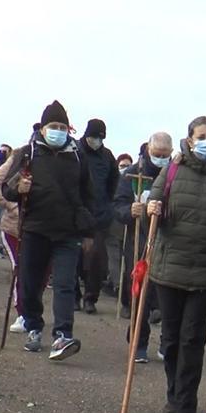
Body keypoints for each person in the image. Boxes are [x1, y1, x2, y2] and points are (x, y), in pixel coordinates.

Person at [145, 117, 206, 413]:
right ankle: (173, 395)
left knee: (193, 339)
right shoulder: (171, 169)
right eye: (202, 136)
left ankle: (187, 406)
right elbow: (153, 201)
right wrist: (152, 208)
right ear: (190, 139)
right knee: (170, 339)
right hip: (169, 268)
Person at [0, 101, 95, 360]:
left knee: (64, 284)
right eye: (54, 126)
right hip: (34, 229)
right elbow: (7, 189)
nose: (58, 131)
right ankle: (33, 327)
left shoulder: (78, 156)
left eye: (63, 127)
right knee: (31, 283)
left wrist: (88, 232)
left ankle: (62, 335)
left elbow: (88, 196)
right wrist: (18, 189)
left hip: (68, 231)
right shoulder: (28, 153)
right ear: (42, 129)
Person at [114, 136, 171, 361]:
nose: (161, 158)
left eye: (166, 155)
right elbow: (117, 206)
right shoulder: (131, 174)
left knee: (167, 295)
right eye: (157, 153)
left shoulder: (175, 173)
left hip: (167, 242)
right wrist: (130, 210)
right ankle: (138, 342)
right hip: (138, 239)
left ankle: (168, 344)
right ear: (148, 149)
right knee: (140, 293)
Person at [0, 143, 30, 330]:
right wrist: (11, 205)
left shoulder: (58, 161)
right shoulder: (19, 158)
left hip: (46, 227)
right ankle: (22, 313)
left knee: (41, 273)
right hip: (15, 227)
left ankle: (32, 310)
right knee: (21, 269)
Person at [77, 119, 118, 314]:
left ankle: (91, 298)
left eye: (101, 138)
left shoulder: (107, 156)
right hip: (75, 213)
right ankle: (74, 296)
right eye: (94, 137)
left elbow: (113, 183)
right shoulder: (75, 150)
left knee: (97, 260)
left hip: (99, 215)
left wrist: (106, 206)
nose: (97, 141)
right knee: (74, 258)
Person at [104, 152, 134, 298]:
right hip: (113, 222)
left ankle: (125, 288)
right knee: (115, 257)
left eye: (127, 166)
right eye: (122, 165)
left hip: (129, 223)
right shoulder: (113, 179)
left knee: (127, 259)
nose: (124, 168)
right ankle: (117, 285)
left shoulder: (132, 179)